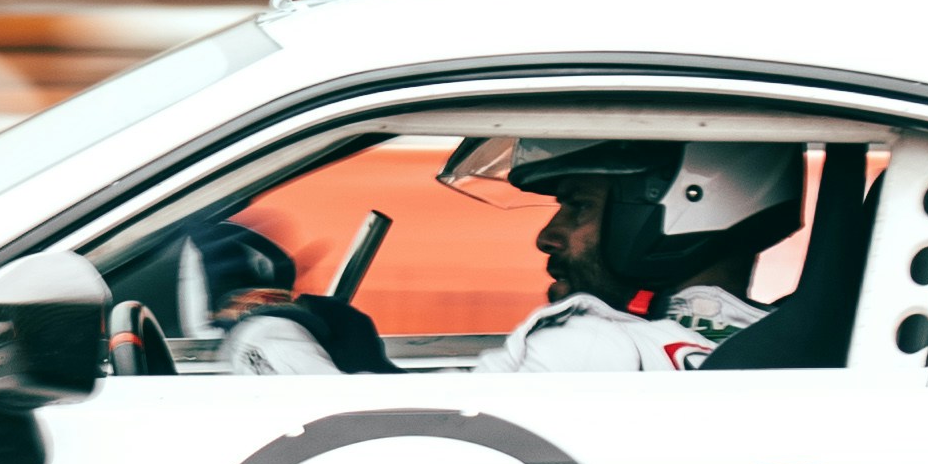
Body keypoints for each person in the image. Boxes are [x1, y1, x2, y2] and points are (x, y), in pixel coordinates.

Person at [207, 135, 801, 374]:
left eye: (578, 207)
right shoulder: (742, 341)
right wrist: (371, 370)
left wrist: (270, 343)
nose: (549, 237)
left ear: (677, 208)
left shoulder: (596, 350)